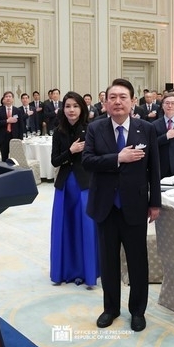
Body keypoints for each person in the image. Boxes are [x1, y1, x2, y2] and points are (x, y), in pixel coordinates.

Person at [82, 78, 161, 333]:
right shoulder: (95, 128)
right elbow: (88, 161)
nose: (117, 102)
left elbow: (154, 169)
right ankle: (111, 308)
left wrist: (155, 203)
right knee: (108, 261)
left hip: (135, 205)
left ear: (133, 102)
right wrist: (118, 157)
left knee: (138, 261)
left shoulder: (146, 129)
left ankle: (137, 311)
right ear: (105, 102)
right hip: (105, 206)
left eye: (123, 97)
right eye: (112, 97)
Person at [50, 91, 99, 288]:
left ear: (82, 109)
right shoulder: (58, 131)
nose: (72, 110)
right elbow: (54, 161)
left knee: (86, 227)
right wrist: (70, 151)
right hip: (64, 186)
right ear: (63, 109)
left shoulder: (91, 130)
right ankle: (64, 271)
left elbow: (96, 158)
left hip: (84, 184)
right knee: (65, 227)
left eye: (75, 106)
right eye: (68, 106)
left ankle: (87, 272)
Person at [0, 91, 24, 162]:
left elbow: (21, 125)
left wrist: (20, 138)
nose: (8, 98)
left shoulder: (18, 110)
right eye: (6, 97)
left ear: (13, 99)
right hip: (3, 137)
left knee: (15, 158)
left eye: (10, 97)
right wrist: (7, 121)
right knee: (4, 157)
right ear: (3, 99)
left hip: (15, 137)